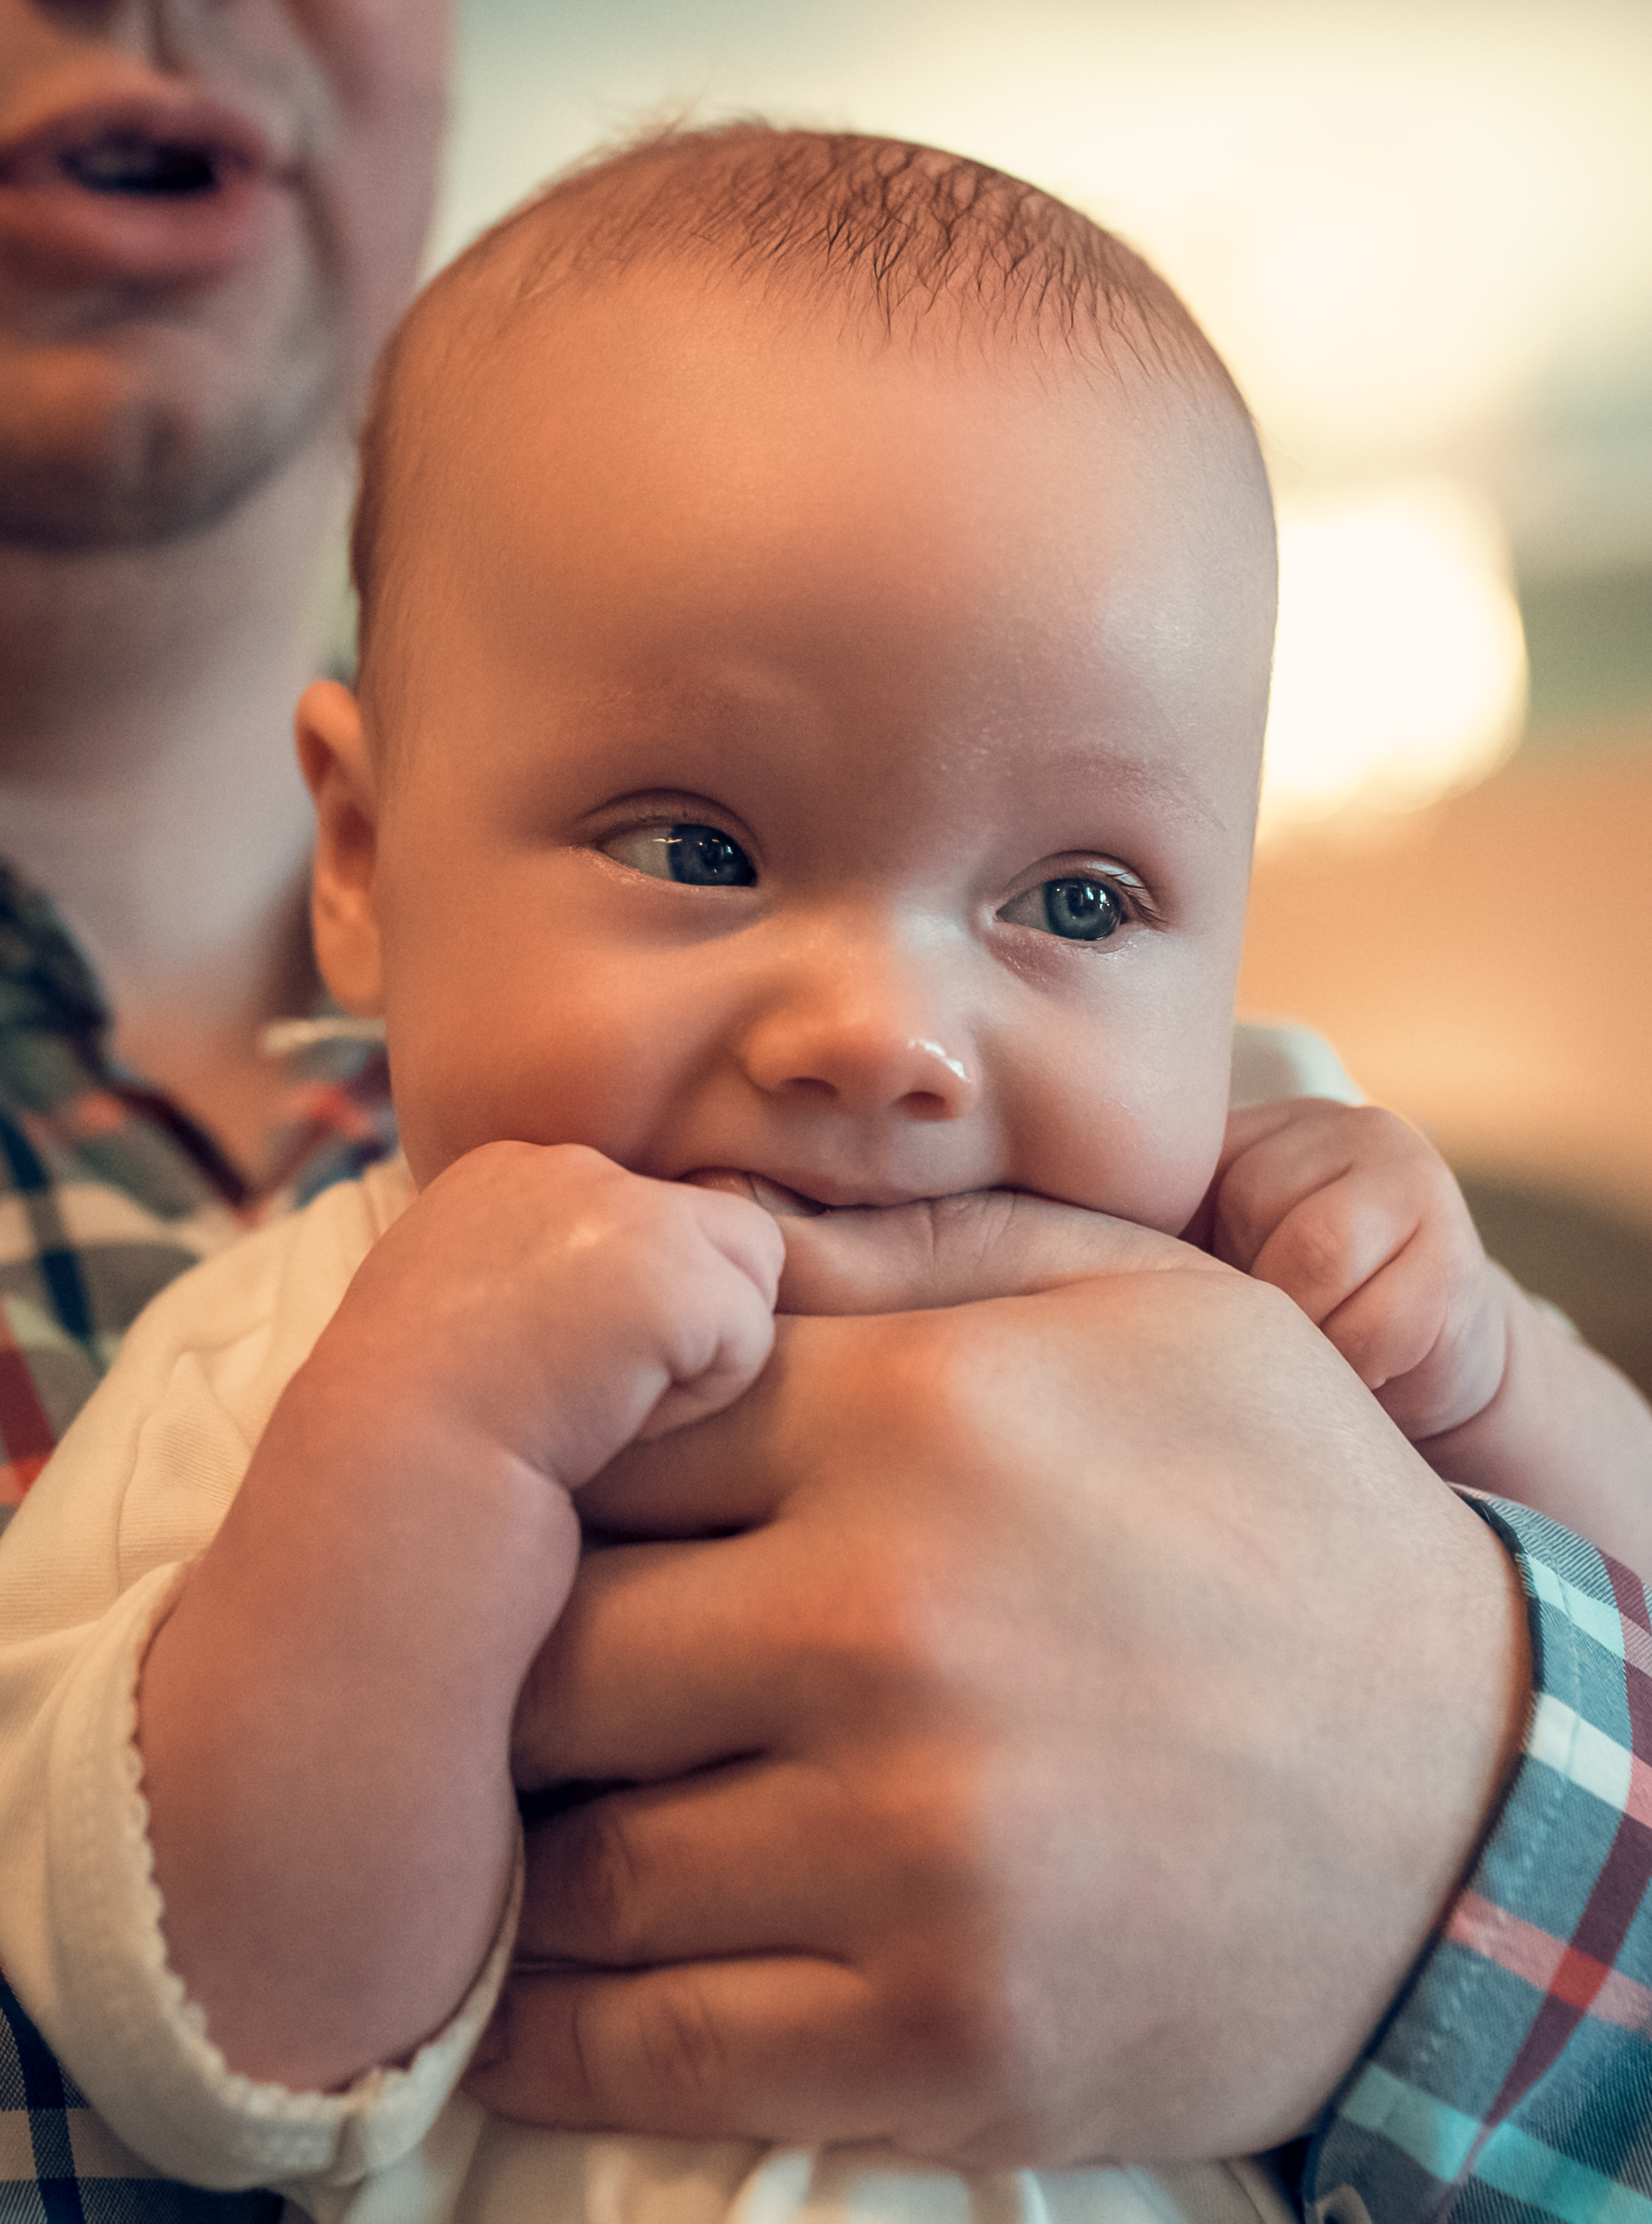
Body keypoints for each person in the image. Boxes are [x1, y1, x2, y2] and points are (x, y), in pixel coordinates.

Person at [3, 125, 1649, 2222]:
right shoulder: (291, 1362)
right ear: (361, 859)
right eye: (696, 848)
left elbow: (1631, 1630)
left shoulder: (1252, 1283)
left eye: (1075, 894)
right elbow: (241, 2046)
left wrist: (1486, 1372)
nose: (887, 1035)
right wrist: (426, 1455)